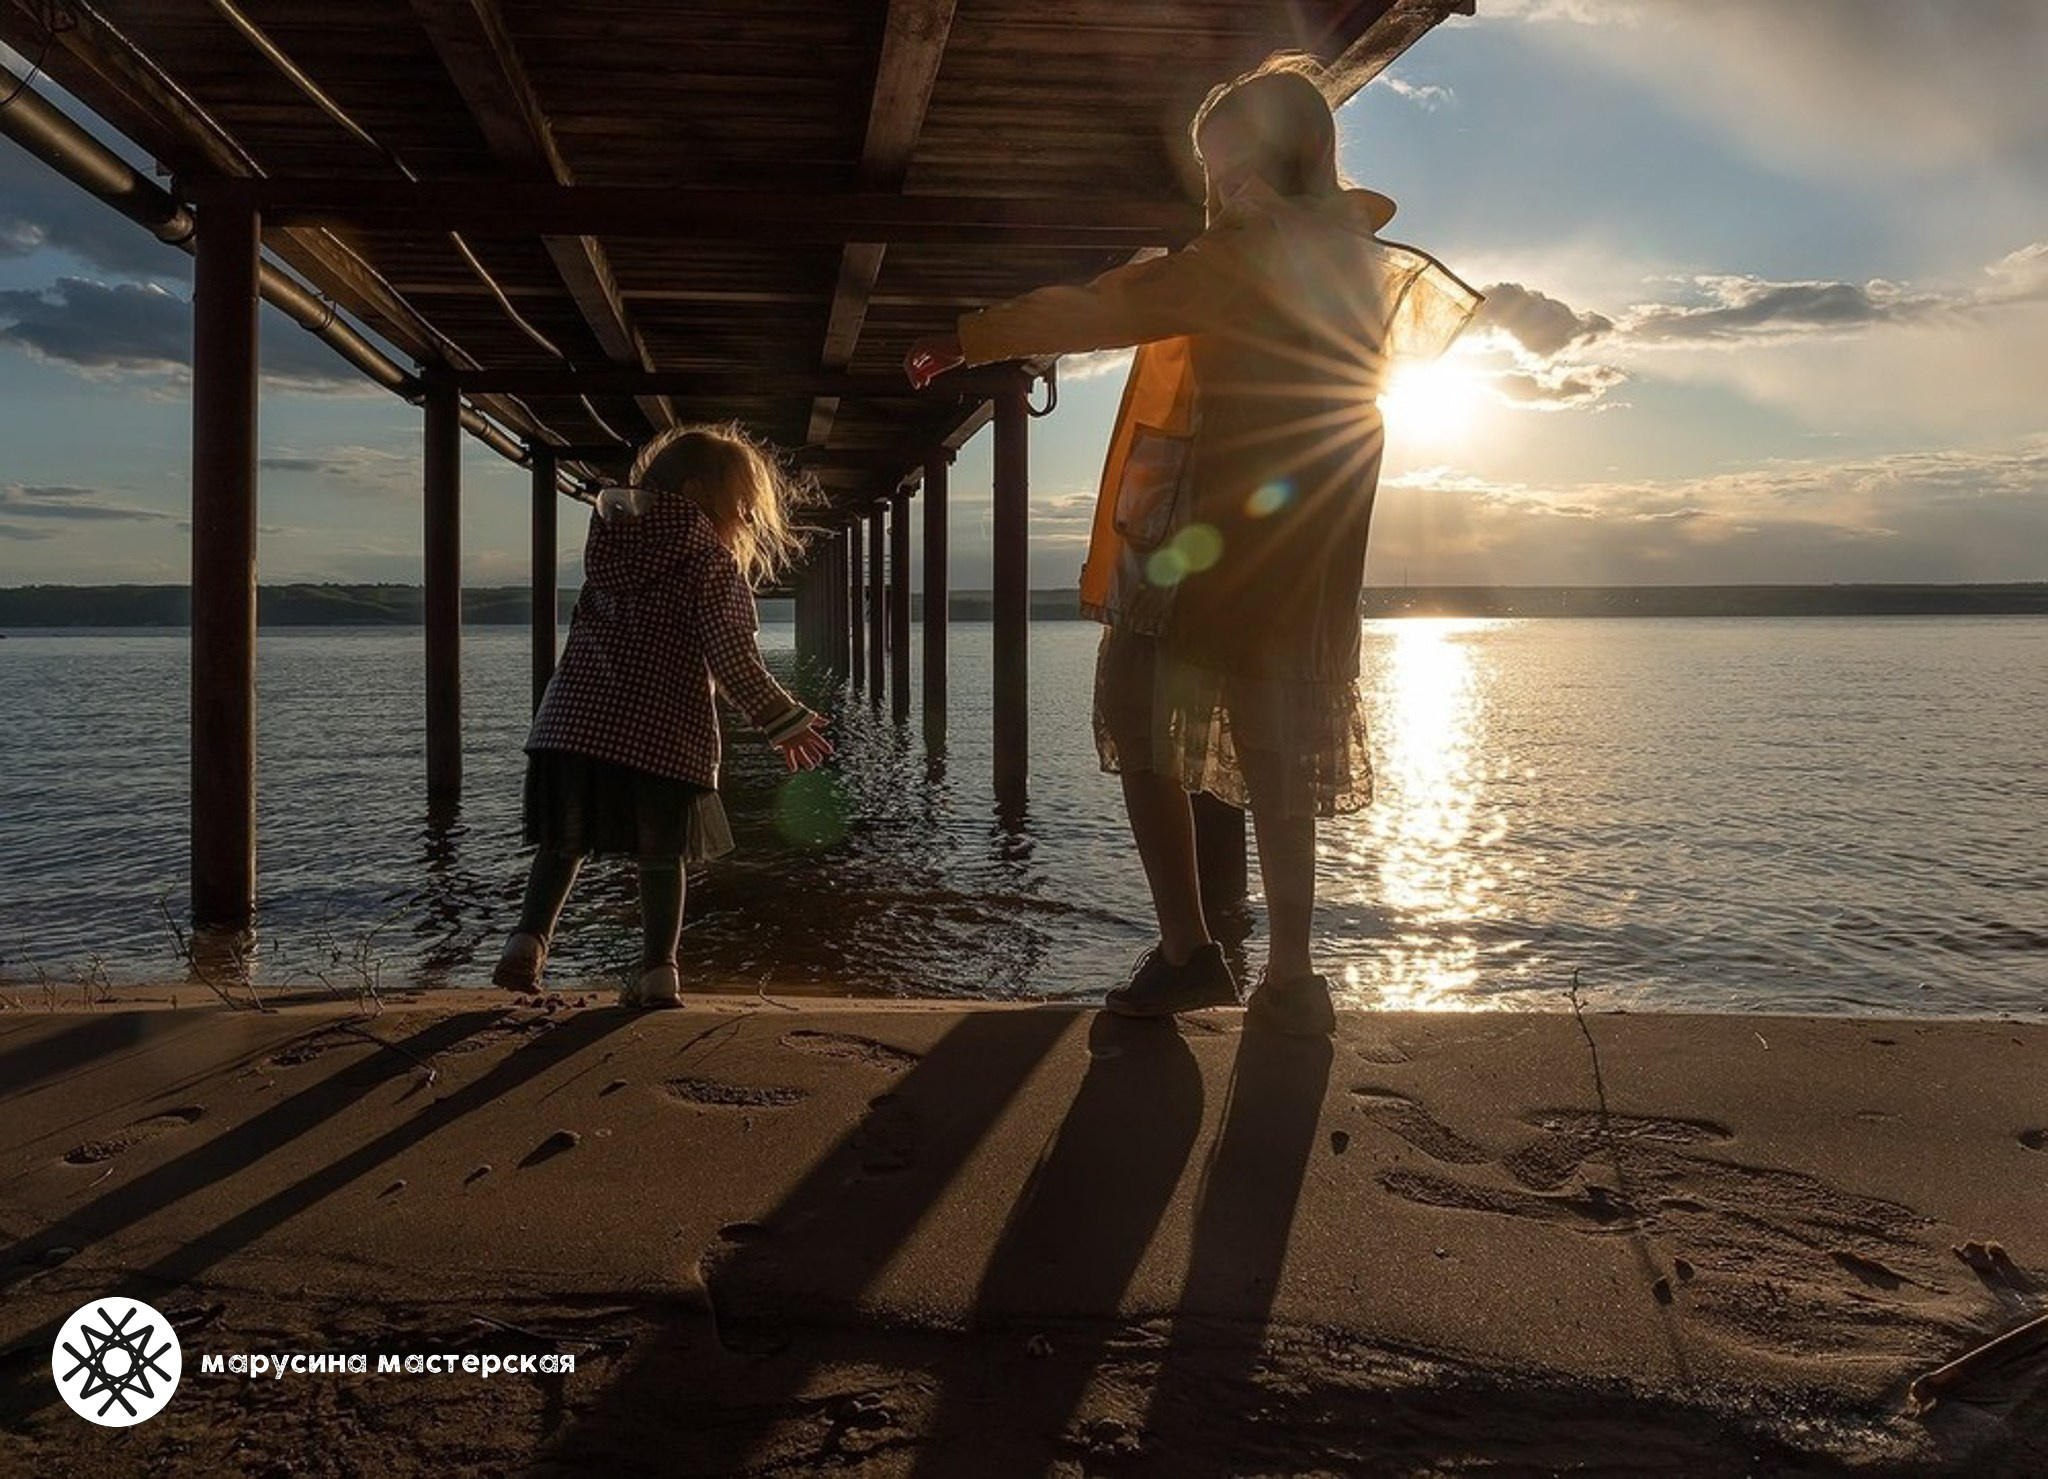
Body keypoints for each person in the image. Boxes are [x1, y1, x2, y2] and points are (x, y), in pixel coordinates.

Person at [906, 55, 1479, 1035]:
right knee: (1275, 739)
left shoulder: (1244, 257)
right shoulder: (1351, 257)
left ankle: (1186, 950)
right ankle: (1291, 977)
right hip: (1307, 543)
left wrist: (970, 337)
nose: (1215, 184)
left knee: (1137, 712)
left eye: (1229, 162)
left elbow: (1105, 312)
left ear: (1281, 157)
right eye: (1208, 167)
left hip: (1206, 536)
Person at [491, 423, 834, 1008]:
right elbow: (732, 661)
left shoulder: (607, 549)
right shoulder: (708, 563)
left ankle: (526, 944)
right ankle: (657, 974)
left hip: (570, 724)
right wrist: (785, 720)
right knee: (661, 853)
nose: (745, 520)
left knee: (563, 843)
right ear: (700, 495)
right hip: (660, 732)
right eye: (740, 507)